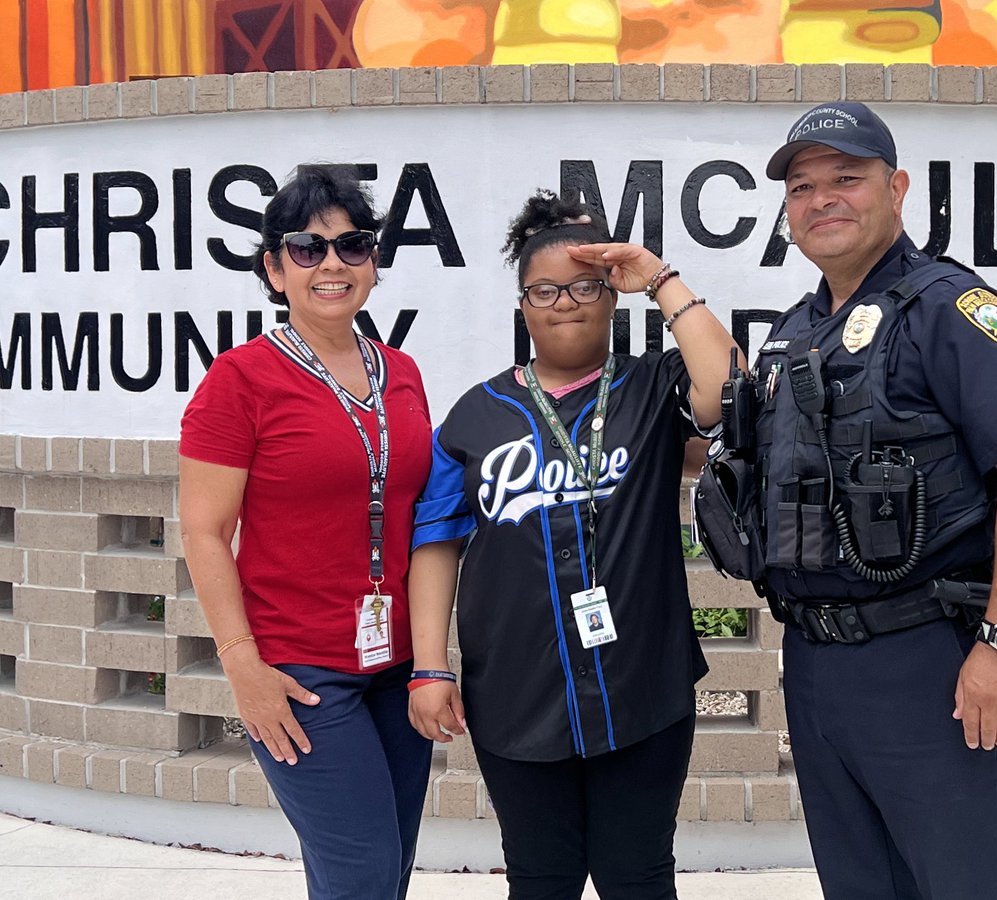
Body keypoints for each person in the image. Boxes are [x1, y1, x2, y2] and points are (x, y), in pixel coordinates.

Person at [754, 102, 997, 898]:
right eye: (802, 187)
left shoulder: (948, 310)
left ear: (895, 189)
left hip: (932, 661)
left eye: (846, 178)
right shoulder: (798, 330)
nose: (822, 199)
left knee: (961, 884)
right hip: (818, 662)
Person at [407, 189, 742, 899]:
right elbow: (436, 542)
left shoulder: (652, 387)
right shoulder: (476, 414)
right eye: (545, 290)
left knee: (638, 878)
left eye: (585, 286)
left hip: (642, 685)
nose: (565, 302)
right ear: (522, 306)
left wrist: (660, 277)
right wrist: (430, 667)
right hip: (517, 693)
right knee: (540, 880)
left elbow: (728, 390)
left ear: (612, 297)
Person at [178, 167, 433, 899]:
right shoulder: (240, 381)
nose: (331, 264)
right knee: (363, 876)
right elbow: (203, 532)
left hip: (396, 665)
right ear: (274, 268)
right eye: (307, 248)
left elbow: (418, 515)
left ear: (373, 263)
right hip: (300, 674)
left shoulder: (402, 372)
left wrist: (432, 662)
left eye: (352, 246)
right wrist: (242, 669)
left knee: (388, 870)